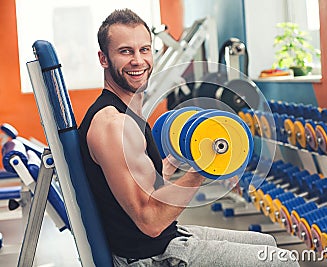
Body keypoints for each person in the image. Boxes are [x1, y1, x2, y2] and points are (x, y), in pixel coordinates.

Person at [78, 8, 300, 267]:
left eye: (145, 50)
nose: (138, 60)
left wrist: (170, 164)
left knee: (268, 244)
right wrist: (204, 168)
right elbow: (149, 220)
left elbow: (141, 185)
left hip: (162, 241)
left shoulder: (127, 112)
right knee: (281, 260)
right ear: (103, 58)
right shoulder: (113, 125)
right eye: (125, 51)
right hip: (148, 257)